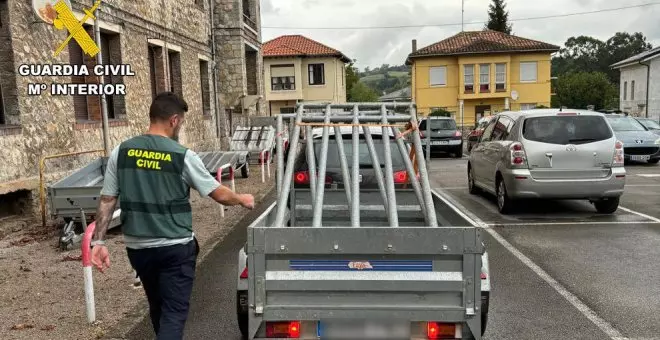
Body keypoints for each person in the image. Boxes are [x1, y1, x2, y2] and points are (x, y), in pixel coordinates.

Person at [90, 92, 254, 340]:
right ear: (174, 120)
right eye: (182, 122)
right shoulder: (182, 155)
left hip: (139, 249)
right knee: (174, 314)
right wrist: (242, 199)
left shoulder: (121, 152)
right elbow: (216, 192)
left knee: (159, 309)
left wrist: (98, 242)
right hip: (174, 247)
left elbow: (107, 199)